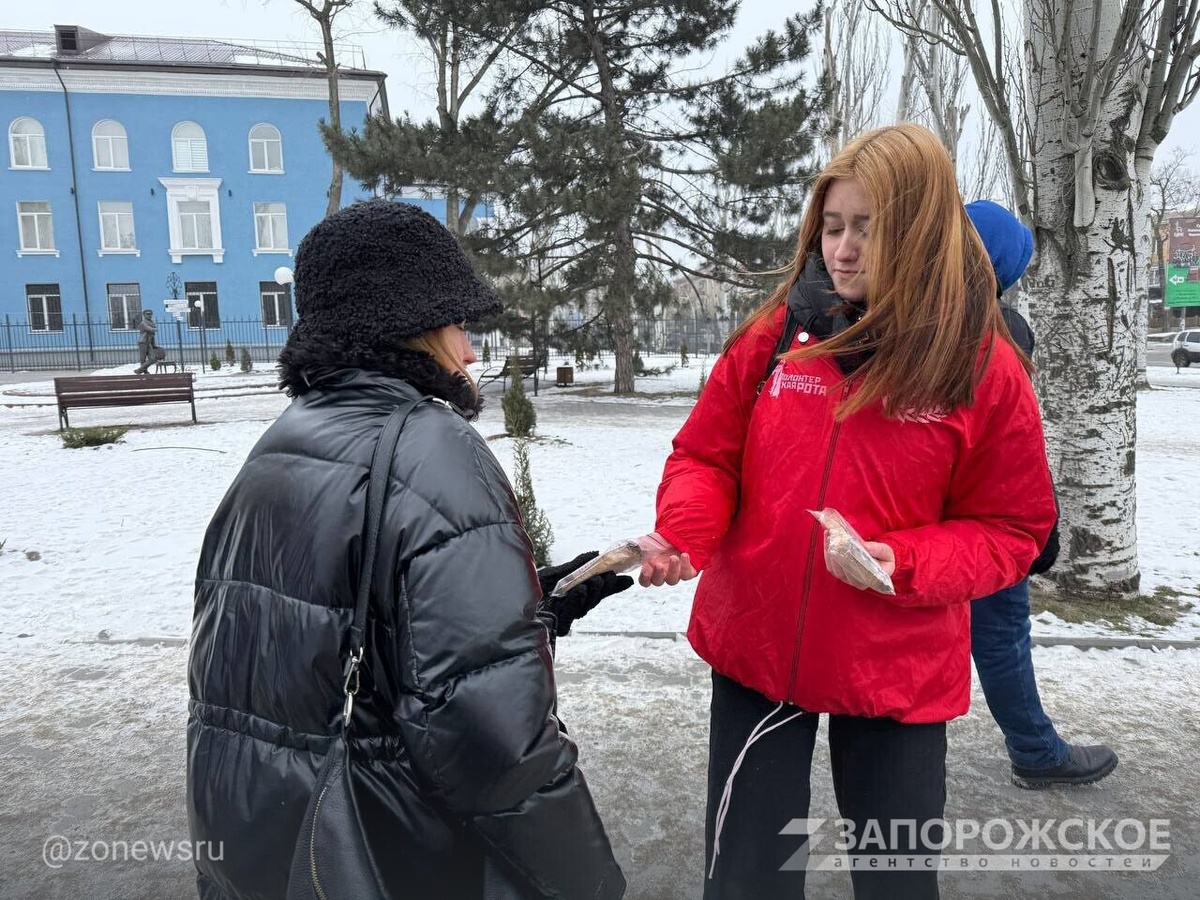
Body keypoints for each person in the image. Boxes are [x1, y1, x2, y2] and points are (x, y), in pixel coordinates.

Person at [639, 124, 1057, 900]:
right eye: (832, 226)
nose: (843, 249)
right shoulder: (774, 336)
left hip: (894, 671)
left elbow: (1014, 530)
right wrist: (686, 531)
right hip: (759, 655)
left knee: (896, 882)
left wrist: (903, 562)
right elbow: (704, 456)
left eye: (868, 228)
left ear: (922, 232)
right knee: (746, 879)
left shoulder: (982, 365)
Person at [186, 200, 628, 900]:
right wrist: (587, 877)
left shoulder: (278, 446)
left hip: (269, 849)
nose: (472, 349)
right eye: (457, 324)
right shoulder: (434, 449)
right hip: (392, 852)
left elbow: (319, 640)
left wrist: (524, 610)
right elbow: (490, 741)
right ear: (410, 326)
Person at [964, 199, 1119, 788]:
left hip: (965, 514)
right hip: (989, 522)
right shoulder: (1007, 331)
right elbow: (1017, 450)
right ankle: (1035, 751)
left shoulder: (944, 326)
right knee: (1002, 633)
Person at [133, 309, 157, 374]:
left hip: (149, 343)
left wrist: (153, 344)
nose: (149, 315)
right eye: (147, 314)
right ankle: (145, 371)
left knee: (153, 358)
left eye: (150, 314)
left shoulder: (151, 322)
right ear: (144, 315)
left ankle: (139, 370)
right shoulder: (143, 323)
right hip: (143, 342)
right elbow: (151, 330)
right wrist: (154, 329)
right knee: (143, 358)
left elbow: (153, 333)